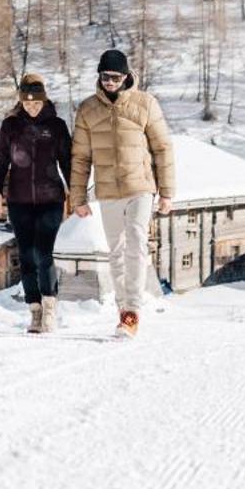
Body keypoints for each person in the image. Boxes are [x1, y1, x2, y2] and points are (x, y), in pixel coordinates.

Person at [69, 48, 174, 338]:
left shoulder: (145, 103)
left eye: (115, 77)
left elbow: (162, 148)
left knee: (136, 244)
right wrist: (77, 198)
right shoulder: (88, 109)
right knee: (115, 252)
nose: (110, 82)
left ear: (126, 76)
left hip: (140, 187)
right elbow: (79, 157)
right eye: (105, 77)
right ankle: (122, 309)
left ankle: (133, 311)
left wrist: (166, 192)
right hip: (108, 191)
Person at [0, 72, 73, 334]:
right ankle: (34, 311)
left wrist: (77, 192)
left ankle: (49, 307)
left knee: (43, 254)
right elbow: (0, 161)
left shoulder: (57, 126)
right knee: (26, 257)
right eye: (27, 103)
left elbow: (68, 162)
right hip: (19, 201)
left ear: (44, 100)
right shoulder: (11, 126)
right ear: (21, 102)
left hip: (51, 200)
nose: (32, 107)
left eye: (36, 103)